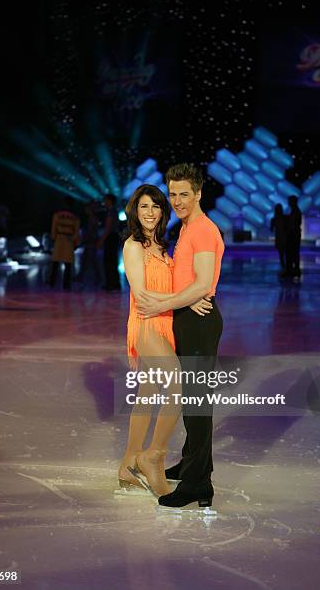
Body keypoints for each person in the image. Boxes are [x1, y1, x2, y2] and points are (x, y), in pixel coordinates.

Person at [137, 163, 225, 509]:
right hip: (189, 317)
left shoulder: (202, 229)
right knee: (192, 399)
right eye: (172, 194)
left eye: (183, 194)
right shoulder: (188, 227)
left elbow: (203, 283)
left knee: (197, 404)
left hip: (199, 322)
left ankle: (198, 485)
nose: (176, 201)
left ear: (199, 193)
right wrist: (173, 302)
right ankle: (191, 465)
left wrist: (163, 302)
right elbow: (194, 283)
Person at [119, 184, 210, 497]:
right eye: (143, 207)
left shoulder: (160, 245)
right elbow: (142, 295)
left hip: (165, 323)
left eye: (155, 207)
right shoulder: (134, 246)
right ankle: (153, 457)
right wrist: (186, 299)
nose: (149, 213)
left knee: (147, 393)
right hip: (145, 324)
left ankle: (128, 464)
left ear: (162, 212)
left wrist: (187, 297)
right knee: (177, 383)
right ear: (135, 210)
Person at [49, 196, 80, 291]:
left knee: (55, 262)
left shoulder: (57, 214)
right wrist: (75, 242)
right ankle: (66, 285)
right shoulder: (75, 217)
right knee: (68, 264)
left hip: (59, 238)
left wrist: (53, 238)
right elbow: (76, 231)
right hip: (69, 240)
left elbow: (54, 228)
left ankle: (52, 282)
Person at [97, 193, 121, 291]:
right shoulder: (114, 211)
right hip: (114, 237)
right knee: (112, 261)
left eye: (105, 200)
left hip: (111, 238)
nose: (104, 202)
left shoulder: (111, 212)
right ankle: (114, 284)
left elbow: (108, 228)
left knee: (109, 261)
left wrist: (101, 240)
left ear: (109, 201)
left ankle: (110, 284)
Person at [285, 195, 302, 279]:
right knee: (294, 253)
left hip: (294, 235)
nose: (288, 203)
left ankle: (294, 270)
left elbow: (294, 224)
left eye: (289, 201)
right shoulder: (294, 210)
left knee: (293, 252)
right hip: (294, 234)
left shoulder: (296, 211)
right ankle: (294, 269)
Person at [270, 203, 287, 273]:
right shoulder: (285, 218)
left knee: (281, 252)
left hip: (279, 237)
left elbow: (271, 229)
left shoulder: (273, 219)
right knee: (286, 251)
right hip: (285, 237)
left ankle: (283, 264)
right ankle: (286, 265)